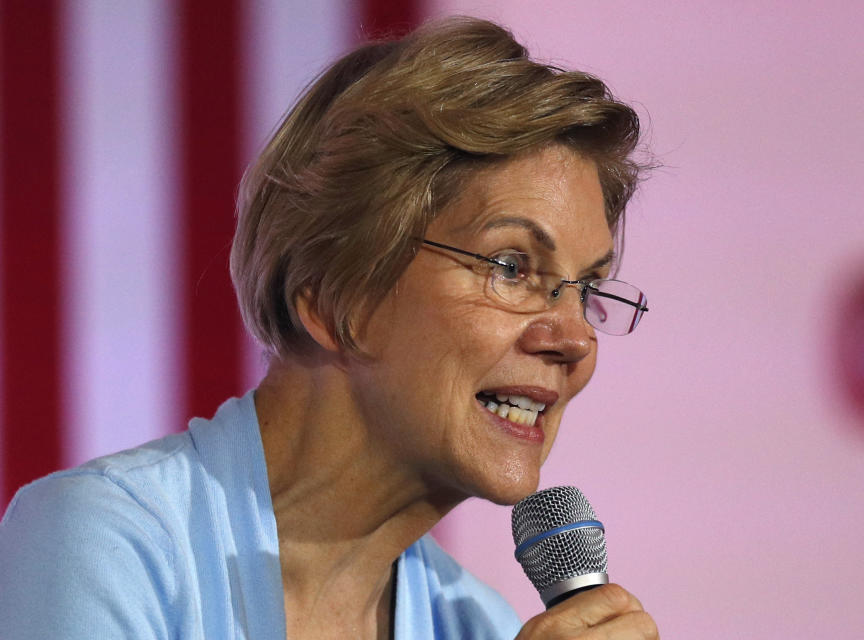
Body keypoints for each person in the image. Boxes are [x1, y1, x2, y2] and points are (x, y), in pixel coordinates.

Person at [0, 16, 658, 640]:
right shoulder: (105, 545)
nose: (575, 339)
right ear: (335, 292)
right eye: (513, 267)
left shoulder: (476, 622)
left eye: (590, 289)